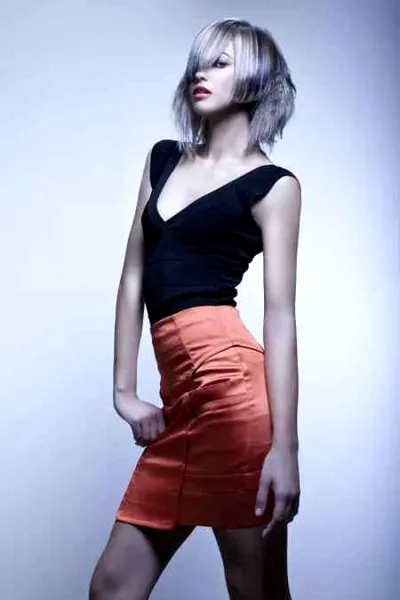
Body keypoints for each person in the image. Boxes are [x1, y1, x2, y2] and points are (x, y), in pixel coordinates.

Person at [89, 17, 301, 600]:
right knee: (111, 589)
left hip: (235, 399)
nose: (199, 74)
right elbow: (133, 278)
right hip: (180, 402)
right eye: (198, 63)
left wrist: (285, 448)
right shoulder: (163, 160)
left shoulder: (274, 185)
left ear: (256, 79)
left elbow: (280, 318)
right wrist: (124, 391)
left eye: (221, 62)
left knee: (256, 589)